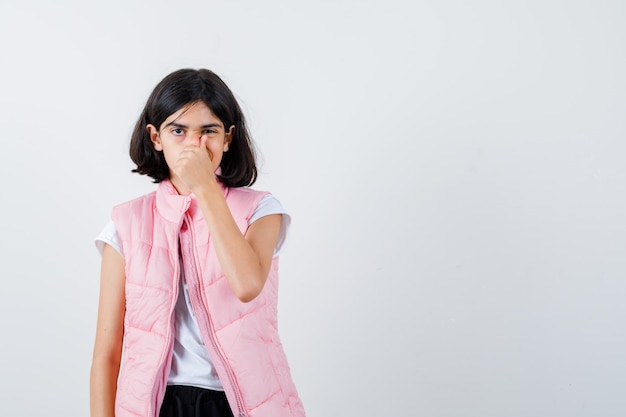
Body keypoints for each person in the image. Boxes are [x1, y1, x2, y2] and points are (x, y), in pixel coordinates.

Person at [90, 68, 306, 417]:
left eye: (209, 131)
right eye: (178, 130)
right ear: (156, 137)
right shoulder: (125, 224)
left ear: (228, 138)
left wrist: (206, 188)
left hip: (242, 404)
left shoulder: (261, 210)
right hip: (158, 406)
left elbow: (248, 284)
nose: (195, 144)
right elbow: (107, 352)